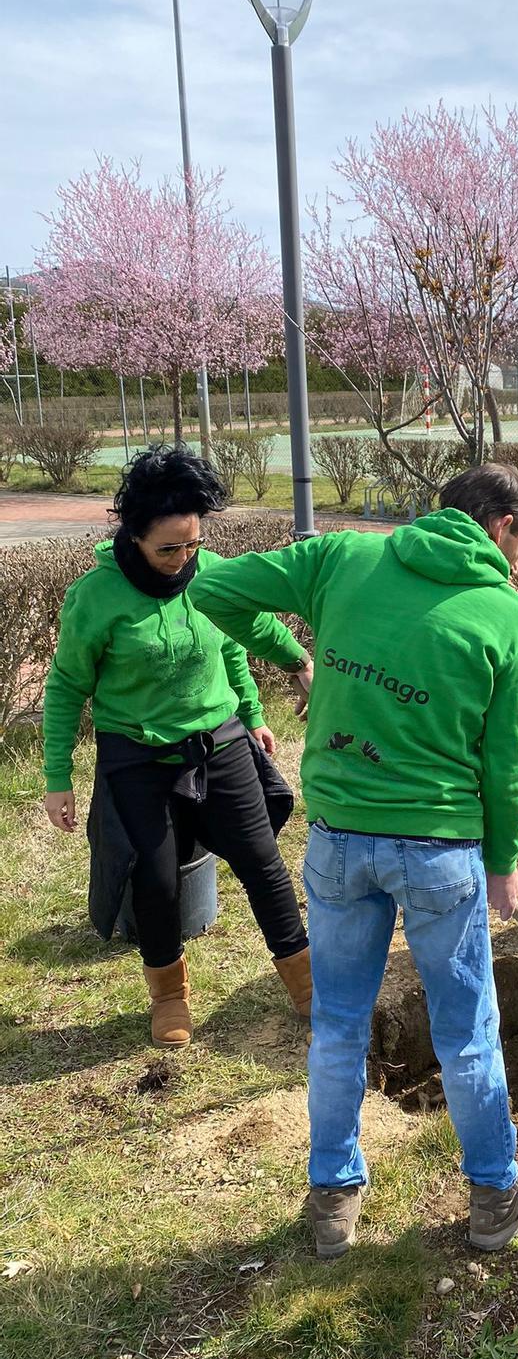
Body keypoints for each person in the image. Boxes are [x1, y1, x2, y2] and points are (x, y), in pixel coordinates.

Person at [190, 462, 518, 1259]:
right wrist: (505, 862)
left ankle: (333, 1200)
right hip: (441, 851)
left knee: (335, 1025)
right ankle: (496, 1195)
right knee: (467, 1034)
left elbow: (212, 590)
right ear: (500, 526)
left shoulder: (340, 559)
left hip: (337, 843)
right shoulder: (507, 617)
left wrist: (304, 653)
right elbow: (508, 765)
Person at [42, 448, 312, 1049]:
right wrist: (56, 775)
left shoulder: (212, 573)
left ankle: (304, 981)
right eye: (168, 548)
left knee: (261, 860)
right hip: (136, 755)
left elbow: (241, 638)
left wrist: (283, 680)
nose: (182, 559)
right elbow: (64, 688)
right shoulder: (97, 596)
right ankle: (168, 995)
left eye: (192, 544)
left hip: (217, 739)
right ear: (134, 534)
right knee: (157, 881)